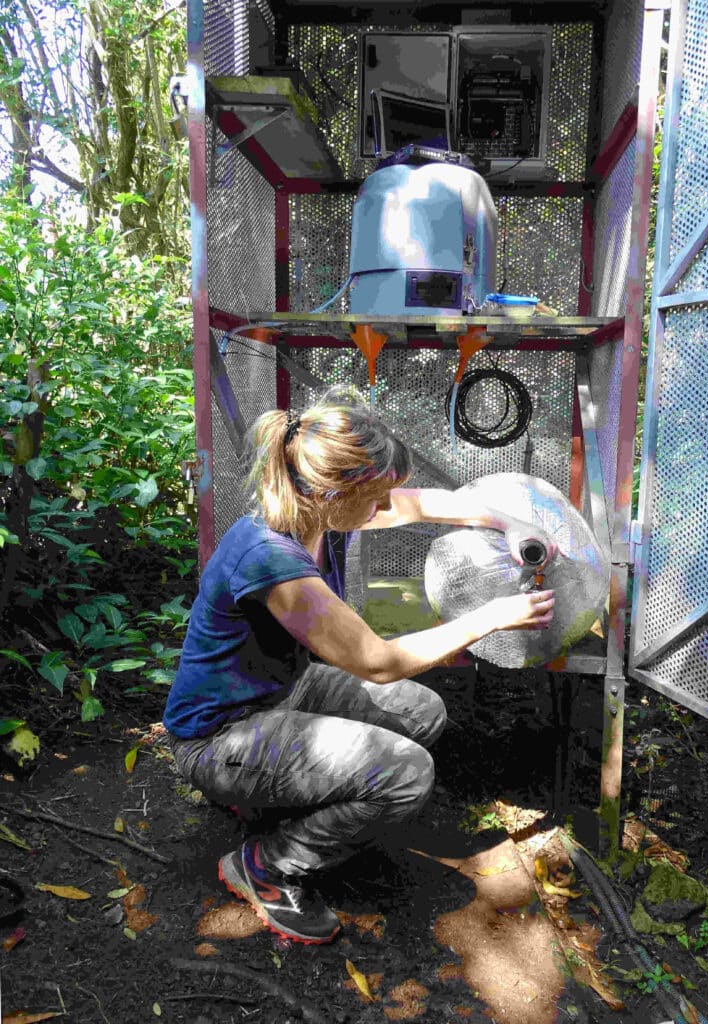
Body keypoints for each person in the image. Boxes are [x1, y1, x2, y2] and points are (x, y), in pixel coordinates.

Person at [163, 388, 555, 945]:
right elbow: (379, 661)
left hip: (281, 694)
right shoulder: (271, 560)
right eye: (376, 496)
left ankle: (271, 800)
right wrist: (492, 616)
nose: (385, 507)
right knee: (407, 773)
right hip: (218, 736)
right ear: (333, 490)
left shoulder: (319, 512)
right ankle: (269, 865)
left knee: (421, 713)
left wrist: (508, 524)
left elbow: (421, 504)